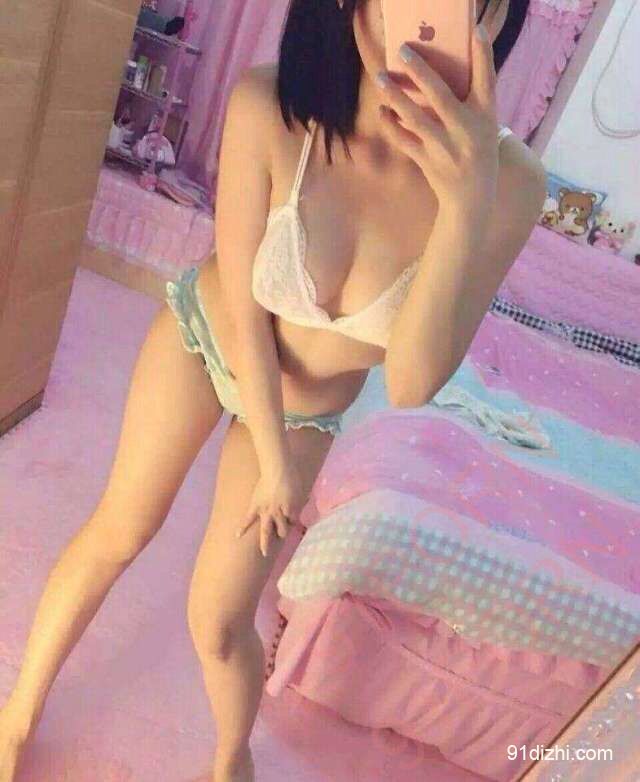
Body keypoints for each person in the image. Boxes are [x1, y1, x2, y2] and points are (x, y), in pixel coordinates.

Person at [0, 1, 546, 780]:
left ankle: (233, 754)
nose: (425, 26)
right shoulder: (269, 103)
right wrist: (273, 463)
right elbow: (244, 300)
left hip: (308, 409)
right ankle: (17, 716)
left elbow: (411, 381)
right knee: (118, 529)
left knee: (218, 621)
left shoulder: (509, 185)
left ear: (496, 20)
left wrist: (464, 205)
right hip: (209, 340)